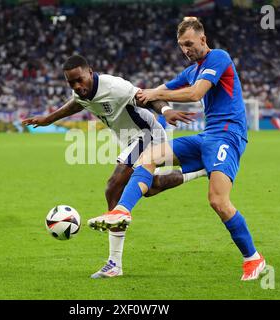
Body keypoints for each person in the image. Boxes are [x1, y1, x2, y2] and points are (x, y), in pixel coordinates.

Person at [88, 18, 266, 281]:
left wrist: (152, 94)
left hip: (229, 137)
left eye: (189, 44)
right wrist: (143, 93)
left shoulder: (218, 57)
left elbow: (195, 94)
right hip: (207, 137)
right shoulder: (192, 70)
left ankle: (253, 259)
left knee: (218, 201)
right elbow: (161, 90)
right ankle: (121, 211)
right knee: (149, 156)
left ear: (203, 40)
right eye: (182, 45)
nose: (186, 49)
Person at [23, 54, 206, 278]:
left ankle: (114, 264)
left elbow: (145, 98)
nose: (77, 86)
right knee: (150, 187)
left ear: (90, 72)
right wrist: (47, 119)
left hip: (146, 134)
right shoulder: (80, 92)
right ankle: (200, 170)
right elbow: (76, 104)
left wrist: (166, 111)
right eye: (71, 82)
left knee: (113, 187)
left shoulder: (114, 86)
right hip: (131, 140)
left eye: (80, 79)